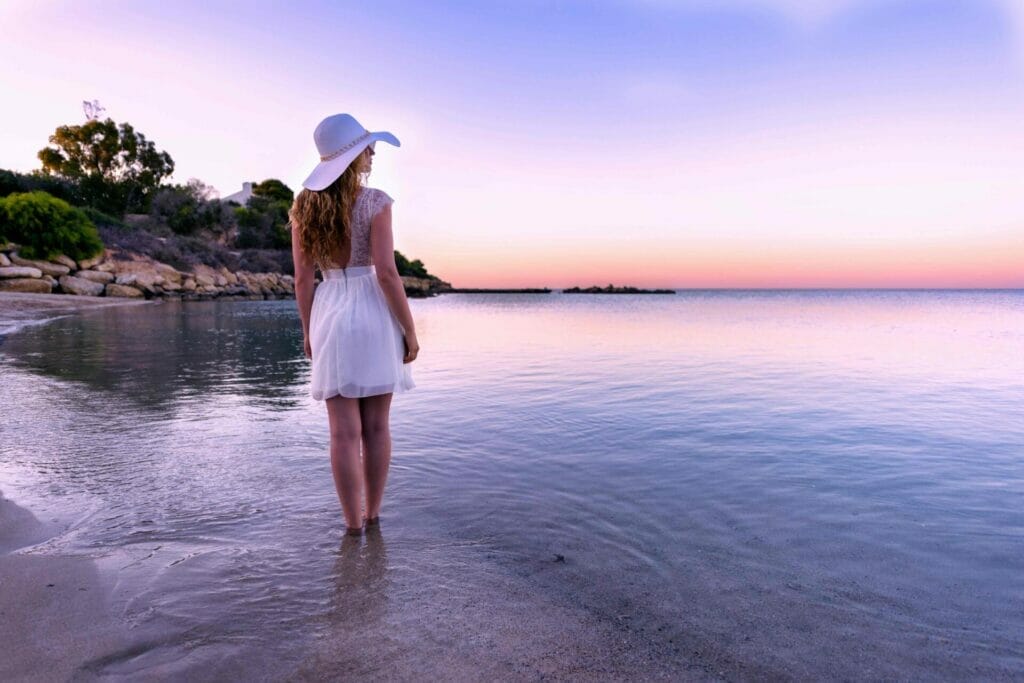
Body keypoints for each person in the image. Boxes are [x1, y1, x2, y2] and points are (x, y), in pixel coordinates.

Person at [289, 113, 420, 537]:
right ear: (352, 156)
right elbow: (386, 273)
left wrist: (308, 331)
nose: (373, 152)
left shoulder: (302, 208)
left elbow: (302, 278)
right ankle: (373, 515)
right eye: (367, 146)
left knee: (342, 433)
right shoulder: (376, 202)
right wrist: (411, 331)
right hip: (372, 311)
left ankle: (350, 525)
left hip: (329, 310)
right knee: (377, 427)